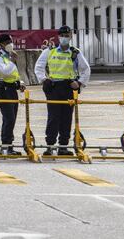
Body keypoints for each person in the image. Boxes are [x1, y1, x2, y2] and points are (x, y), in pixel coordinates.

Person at [33, 25, 91, 156]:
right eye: (62, 35)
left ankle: (63, 146)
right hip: (53, 88)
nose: (64, 38)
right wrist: (43, 79)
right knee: (53, 117)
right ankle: (50, 145)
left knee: (66, 117)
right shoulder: (50, 51)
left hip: (68, 87)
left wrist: (80, 82)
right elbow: (39, 66)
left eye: (67, 35)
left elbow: (86, 69)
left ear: (70, 37)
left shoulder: (75, 52)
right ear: (58, 37)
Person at [0, 33, 25, 155]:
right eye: (7, 43)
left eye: (10, 42)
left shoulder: (10, 56)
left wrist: (19, 82)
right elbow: (4, 72)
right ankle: (5, 147)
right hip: (3, 90)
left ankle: (9, 147)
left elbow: (14, 73)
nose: (10, 44)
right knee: (9, 119)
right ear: (1, 44)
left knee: (13, 119)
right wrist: (12, 61)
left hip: (12, 90)